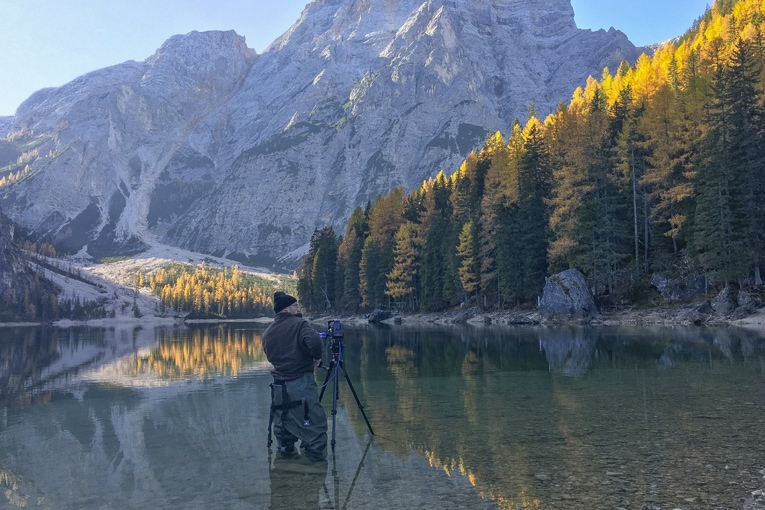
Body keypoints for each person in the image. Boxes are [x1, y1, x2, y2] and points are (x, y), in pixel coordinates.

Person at [262, 291, 328, 462]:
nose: (298, 308)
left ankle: (286, 465)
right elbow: (314, 341)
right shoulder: (299, 324)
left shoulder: (268, 332)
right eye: (295, 306)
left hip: (278, 387)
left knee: (284, 426)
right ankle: (315, 465)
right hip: (300, 383)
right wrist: (316, 357)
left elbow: (269, 354)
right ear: (286, 309)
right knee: (314, 425)